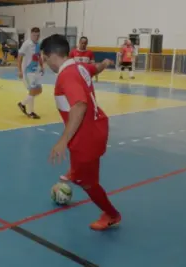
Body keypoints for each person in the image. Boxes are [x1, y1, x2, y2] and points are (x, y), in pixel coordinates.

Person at [40, 34, 121, 231]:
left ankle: (111, 214)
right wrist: (105, 64)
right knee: (81, 172)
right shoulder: (79, 66)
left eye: (44, 56)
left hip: (85, 137)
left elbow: (79, 106)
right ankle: (76, 172)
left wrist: (62, 141)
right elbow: (95, 68)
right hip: (96, 127)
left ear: (50, 55)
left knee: (88, 184)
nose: (44, 61)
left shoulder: (66, 75)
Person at [17, 27, 44, 119]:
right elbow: (19, 57)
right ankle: (30, 112)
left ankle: (22, 104)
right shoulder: (26, 44)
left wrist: (42, 66)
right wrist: (19, 70)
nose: (36, 37)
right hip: (28, 72)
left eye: (37, 35)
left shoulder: (38, 44)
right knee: (32, 91)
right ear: (30, 35)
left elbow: (38, 56)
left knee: (39, 90)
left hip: (36, 71)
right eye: (34, 35)